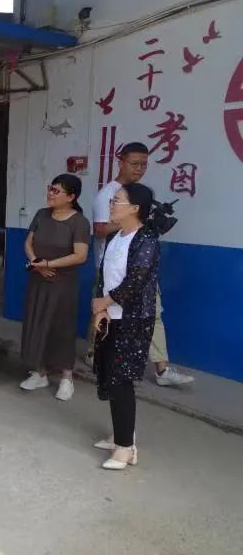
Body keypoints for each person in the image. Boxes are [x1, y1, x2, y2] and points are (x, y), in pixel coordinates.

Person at [90, 142, 193, 387]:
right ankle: (96, 354)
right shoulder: (107, 194)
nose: (139, 169)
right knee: (103, 312)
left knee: (152, 313)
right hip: (110, 268)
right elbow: (100, 230)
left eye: (144, 164)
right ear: (121, 162)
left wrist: (146, 221)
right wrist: (132, 220)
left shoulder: (141, 193)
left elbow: (140, 229)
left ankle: (161, 369)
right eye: (134, 164)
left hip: (138, 268)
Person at [92, 183, 160, 470]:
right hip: (110, 315)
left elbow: (135, 281)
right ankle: (120, 434)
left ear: (134, 208)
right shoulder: (115, 236)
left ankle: (126, 449)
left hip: (132, 320)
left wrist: (105, 302)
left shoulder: (146, 239)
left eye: (116, 201)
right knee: (109, 376)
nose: (111, 205)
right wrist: (101, 308)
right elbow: (104, 275)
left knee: (121, 380)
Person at [20, 174, 90, 401]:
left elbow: (80, 256)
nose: (50, 193)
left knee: (61, 328)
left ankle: (66, 378)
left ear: (71, 197)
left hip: (63, 285)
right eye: (50, 188)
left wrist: (49, 265)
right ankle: (39, 372)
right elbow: (28, 242)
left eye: (56, 191)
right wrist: (36, 264)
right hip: (38, 279)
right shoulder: (42, 214)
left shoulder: (79, 222)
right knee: (36, 323)